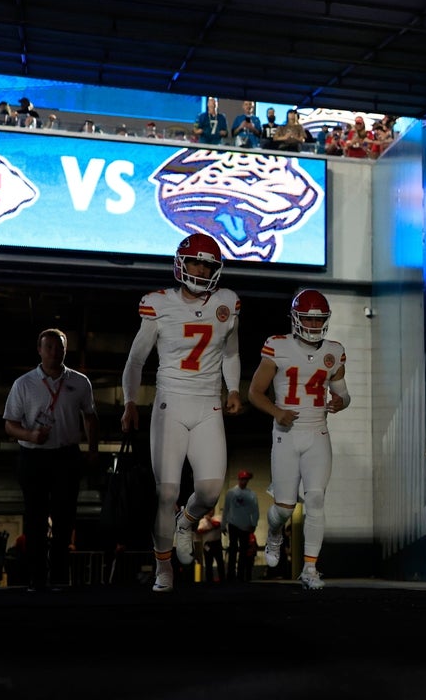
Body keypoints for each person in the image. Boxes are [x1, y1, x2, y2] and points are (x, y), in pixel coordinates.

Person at [120, 233, 242, 593]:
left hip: (209, 404)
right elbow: (135, 360)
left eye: (208, 264)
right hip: (170, 403)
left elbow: (231, 353)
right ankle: (163, 567)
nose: (201, 269)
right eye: (196, 262)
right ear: (181, 263)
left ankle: (186, 523)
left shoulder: (227, 302)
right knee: (165, 492)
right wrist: (129, 402)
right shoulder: (159, 303)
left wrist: (233, 388)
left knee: (209, 491)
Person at [248, 288, 351, 591]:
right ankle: (275, 534)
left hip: (318, 432)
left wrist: (339, 402)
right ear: (295, 318)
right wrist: (276, 411)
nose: (314, 325)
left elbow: (344, 394)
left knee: (316, 499)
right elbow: (254, 392)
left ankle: (310, 568)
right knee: (284, 507)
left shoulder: (334, 350)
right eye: (307, 318)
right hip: (286, 435)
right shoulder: (277, 346)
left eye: (318, 320)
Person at [3, 328, 100, 592]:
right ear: (39, 350)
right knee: (34, 519)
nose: (54, 352)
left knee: (64, 519)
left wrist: (93, 450)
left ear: (65, 351)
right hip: (33, 457)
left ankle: (59, 577)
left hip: (66, 456)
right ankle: (36, 579)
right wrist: (30, 436)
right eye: (49, 348)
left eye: (60, 348)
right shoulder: (23, 383)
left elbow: (90, 417)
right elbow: (9, 425)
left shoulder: (80, 382)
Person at [222, 469, 258, 583]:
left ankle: (240, 575)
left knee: (243, 551)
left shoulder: (251, 495)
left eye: (246, 480)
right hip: (233, 524)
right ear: (239, 480)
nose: (244, 482)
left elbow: (255, 511)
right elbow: (226, 509)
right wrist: (223, 525)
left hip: (245, 526)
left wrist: (254, 524)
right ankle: (231, 575)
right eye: (242, 479)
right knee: (233, 549)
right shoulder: (231, 493)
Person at [196, 509, 224, 583]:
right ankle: (209, 581)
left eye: (212, 510)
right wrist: (210, 528)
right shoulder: (202, 521)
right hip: (207, 544)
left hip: (217, 543)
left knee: (220, 562)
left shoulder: (218, 517)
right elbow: (199, 531)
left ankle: (222, 579)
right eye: (209, 510)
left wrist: (210, 520)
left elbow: (217, 525)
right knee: (208, 563)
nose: (210, 512)